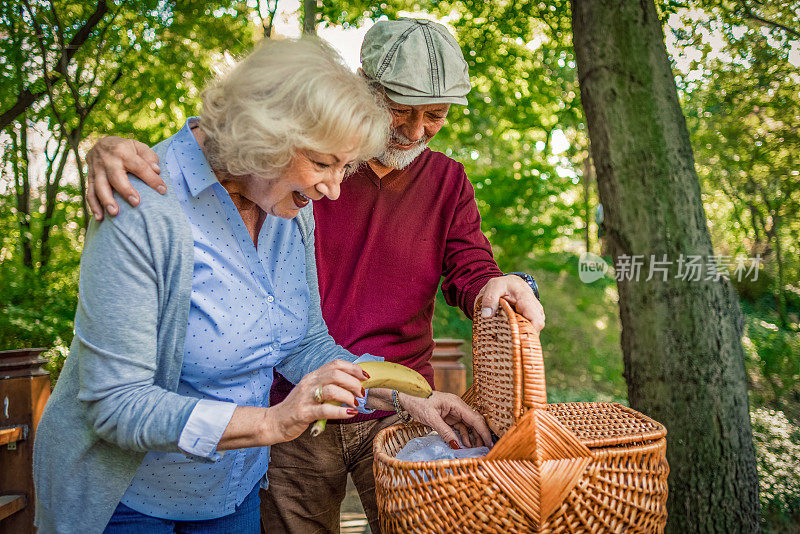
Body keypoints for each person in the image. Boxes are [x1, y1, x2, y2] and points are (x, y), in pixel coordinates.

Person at [85, 18, 545, 533]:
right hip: (192, 464)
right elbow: (116, 401)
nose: (334, 190)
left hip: (269, 465)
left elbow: (306, 339)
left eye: (434, 115)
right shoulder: (217, 190)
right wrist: (275, 422)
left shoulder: (296, 199)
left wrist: (410, 389)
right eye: (402, 110)